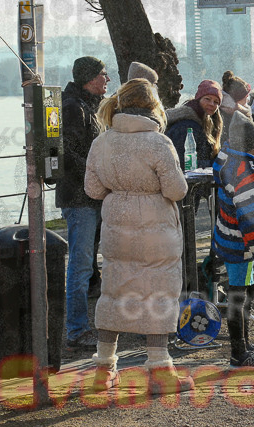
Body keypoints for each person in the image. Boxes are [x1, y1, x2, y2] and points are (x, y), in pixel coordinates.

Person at [82, 79, 194, 394]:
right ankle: (160, 370)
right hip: (156, 229)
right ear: (151, 107)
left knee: (114, 292)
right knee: (158, 294)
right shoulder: (158, 142)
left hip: (117, 226)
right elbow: (176, 189)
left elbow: (92, 189)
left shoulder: (102, 142)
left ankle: (103, 370)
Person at [212, 111, 254, 370]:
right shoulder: (245, 172)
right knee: (238, 296)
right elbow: (251, 219)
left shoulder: (225, 159)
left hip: (226, 236)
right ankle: (239, 353)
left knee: (247, 291)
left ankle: (246, 345)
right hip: (240, 244)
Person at [57, 56, 109, 350]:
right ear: (89, 78)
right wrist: (96, 175)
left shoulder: (86, 104)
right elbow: (68, 155)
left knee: (87, 265)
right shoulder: (73, 108)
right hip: (80, 198)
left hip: (90, 195)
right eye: (103, 74)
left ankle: (83, 325)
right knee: (80, 265)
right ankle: (76, 329)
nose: (107, 80)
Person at [165, 79, 224, 170]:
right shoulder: (186, 126)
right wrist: (215, 163)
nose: (212, 104)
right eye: (207, 99)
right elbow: (183, 162)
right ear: (198, 99)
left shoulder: (207, 123)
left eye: (216, 102)